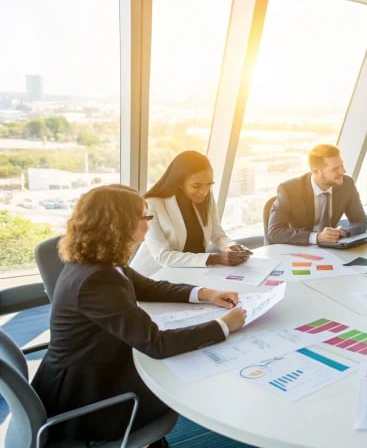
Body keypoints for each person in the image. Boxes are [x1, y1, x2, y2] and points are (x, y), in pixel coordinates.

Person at [31, 184, 246, 443]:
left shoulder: (97, 260)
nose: (149, 223)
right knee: (183, 387)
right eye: (144, 217)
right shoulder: (97, 280)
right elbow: (156, 344)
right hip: (88, 401)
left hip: (89, 372)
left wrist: (206, 293)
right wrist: (223, 326)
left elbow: (146, 286)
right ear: (119, 224)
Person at [130, 150, 251, 276]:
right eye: (196, 186)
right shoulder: (152, 204)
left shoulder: (206, 199)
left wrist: (230, 246)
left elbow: (216, 234)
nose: (204, 191)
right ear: (180, 182)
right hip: (153, 277)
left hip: (191, 274)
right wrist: (216, 259)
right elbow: (163, 256)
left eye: (208, 185)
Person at [267, 143, 367, 245]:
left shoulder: (347, 184)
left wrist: (344, 232)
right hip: (298, 250)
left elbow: (361, 222)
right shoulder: (289, 189)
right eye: (335, 169)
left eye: (342, 165)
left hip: (332, 250)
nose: (343, 171)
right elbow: (275, 232)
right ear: (315, 171)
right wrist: (317, 237)